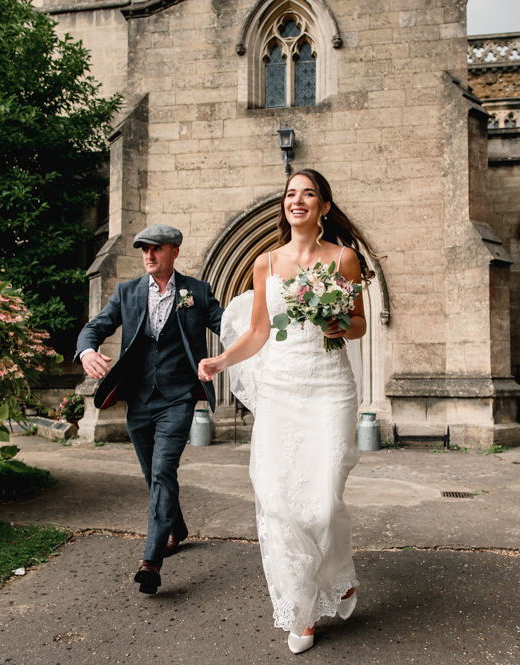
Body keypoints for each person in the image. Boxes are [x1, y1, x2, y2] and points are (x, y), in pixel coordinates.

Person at [198, 169, 382, 654]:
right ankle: (301, 613)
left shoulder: (343, 259)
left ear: (323, 206)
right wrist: (221, 359)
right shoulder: (265, 263)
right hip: (280, 388)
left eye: (308, 194)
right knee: (279, 502)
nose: (297, 201)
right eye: (291, 194)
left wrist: (335, 320)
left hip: (328, 387)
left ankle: (337, 570)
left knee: (322, 503)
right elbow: (259, 331)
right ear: (285, 205)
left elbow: (360, 324)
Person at [75, 224, 223, 595]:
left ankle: (151, 562)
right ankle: (178, 527)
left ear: (174, 251)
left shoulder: (197, 292)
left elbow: (230, 330)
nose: (148, 255)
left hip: (178, 397)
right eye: (144, 249)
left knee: (162, 471)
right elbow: (95, 327)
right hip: (138, 399)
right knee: (152, 474)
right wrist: (87, 351)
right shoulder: (128, 292)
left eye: (156, 249)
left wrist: (232, 353)